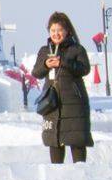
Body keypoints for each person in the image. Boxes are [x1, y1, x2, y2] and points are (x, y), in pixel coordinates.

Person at [33, 12, 93, 163]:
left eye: (59, 30)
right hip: (52, 103)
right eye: (53, 31)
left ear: (67, 31)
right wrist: (46, 64)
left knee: (76, 140)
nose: (56, 34)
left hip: (74, 103)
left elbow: (84, 69)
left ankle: (81, 177)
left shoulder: (77, 49)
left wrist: (63, 62)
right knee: (55, 139)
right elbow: (36, 73)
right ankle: (56, 179)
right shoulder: (44, 51)